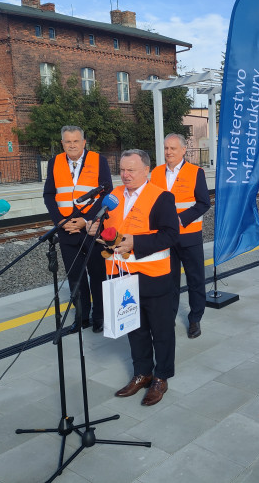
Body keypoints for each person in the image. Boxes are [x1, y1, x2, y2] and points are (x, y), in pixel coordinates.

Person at [89, 149, 179, 406]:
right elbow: (105, 228)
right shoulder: (112, 197)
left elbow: (171, 235)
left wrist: (136, 243)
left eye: (131, 170)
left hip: (153, 275)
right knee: (134, 328)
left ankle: (161, 376)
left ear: (146, 171)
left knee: (161, 330)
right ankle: (143, 373)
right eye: (122, 169)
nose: (125, 175)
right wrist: (94, 229)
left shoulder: (162, 198)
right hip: (121, 274)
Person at [43, 125, 112, 333]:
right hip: (66, 231)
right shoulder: (55, 162)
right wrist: (60, 222)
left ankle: (99, 317)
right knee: (75, 277)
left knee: (98, 275)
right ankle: (82, 317)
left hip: (92, 229)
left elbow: (106, 194)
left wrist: (86, 220)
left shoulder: (99, 160)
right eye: (67, 142)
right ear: (62, 143)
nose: (72, 145)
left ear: (84, 142)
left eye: (76, 141)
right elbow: (49, 195)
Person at [150, 133, 210, 339]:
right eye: (166, 148)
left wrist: (180, 218)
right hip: (165, 239)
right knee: (169, 281)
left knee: (195, 279)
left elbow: (204, 203)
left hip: (189, 236)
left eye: (173, 149)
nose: (168, 152)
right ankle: (169, 316)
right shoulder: (156, 173)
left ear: (184, 150)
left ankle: (195, 318)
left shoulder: (196, 172)